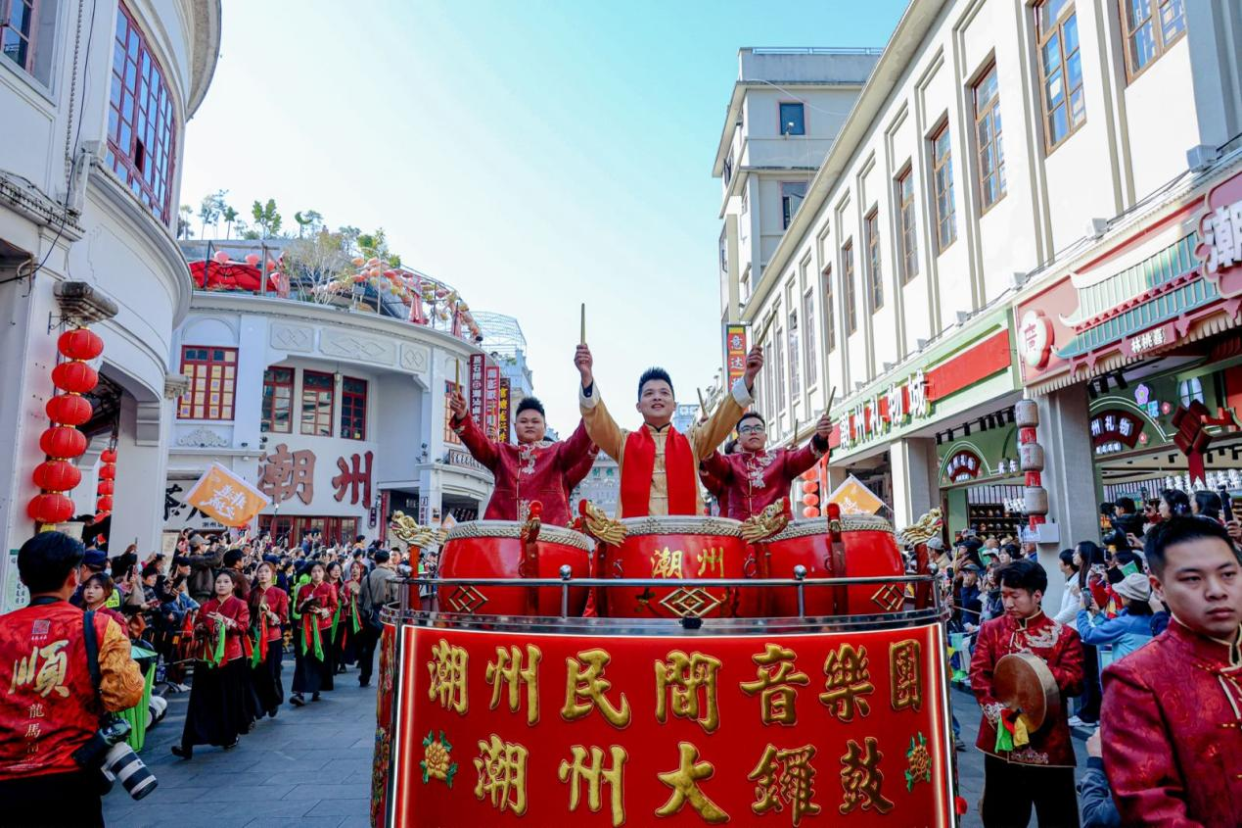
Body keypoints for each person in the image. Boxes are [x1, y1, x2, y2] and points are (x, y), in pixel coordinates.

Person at [1101, 516, 1242, 826]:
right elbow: (1151, 808)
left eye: (1228, 574)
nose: (1216, 590)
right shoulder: (1136, 678)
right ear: (1158, 588)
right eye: (1192, 579)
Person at [0, 533, 145, 827]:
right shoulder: (98, 626)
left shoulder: (4, 630)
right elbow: (125, 694)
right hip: (71, 772)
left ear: (24, 578)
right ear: (73, 576)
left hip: (6, 776)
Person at [573, 342, 762, 517]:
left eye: (664, 393)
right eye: (649, 393)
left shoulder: (693, 441)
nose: (657, 397)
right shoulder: (622, 441)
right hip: (636, 542)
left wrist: (749, 377)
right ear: (638, 406)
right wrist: (587, 377)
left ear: (674, 405)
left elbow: (722, 418)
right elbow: (598, 422)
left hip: (684, 541)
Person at [970, 559, 1084, 828]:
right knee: (1001, 816)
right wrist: (1003, 717)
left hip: (1049, 744)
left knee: (1058, 817)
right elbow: (979, 676)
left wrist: (1041, 669)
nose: (1008, 603)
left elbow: (1076, 682)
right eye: (1004, 595)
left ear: (1037, 595)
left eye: (1015, 595)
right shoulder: (992, 629)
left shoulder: (1063, 635)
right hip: (1003, 740)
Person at [448, 393, 595, 526]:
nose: (529, 425)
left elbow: (578, 444)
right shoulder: (502, 453)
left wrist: (589, 402)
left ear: (545, 426)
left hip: (550, 539)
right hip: (503, 538)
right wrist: (462, 416)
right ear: (515, 426)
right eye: (523, 421)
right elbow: (479, 443)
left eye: (535, 421)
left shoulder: (558, 453)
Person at [172, 570, 251, 760]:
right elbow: (198, 630)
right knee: (199, 701)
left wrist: (226, 621)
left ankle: (228, 735)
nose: (221, 585)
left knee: (227, 699)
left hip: (230, 658)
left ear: (234, 585)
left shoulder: (240, 605)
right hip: (205, 658)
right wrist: (198, 628)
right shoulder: (206, 606)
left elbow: (243, 628)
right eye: (218, 582)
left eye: (226, 582)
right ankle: (188, 744)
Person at [699, 409, 831, 521]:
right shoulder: (731, 462)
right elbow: (715, 463)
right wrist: (707, 437)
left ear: (765, 436)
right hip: (741, 536)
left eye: (758, 428)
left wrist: (820, 437)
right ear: (739, 438)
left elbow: (804, 456)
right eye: (746, 429)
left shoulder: (782, 457)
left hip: (780, 535)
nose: (753, 432)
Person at [1077, 571, 1155, 667]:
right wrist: (1098, 616)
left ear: (1129, 599)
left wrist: (1081, 612)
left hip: (1126, 677)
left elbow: (1088, 635)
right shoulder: (1154, 620)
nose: (1119, 595)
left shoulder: (1125, 624)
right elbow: (1114, 627)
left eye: (1122, 593)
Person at [290, 562, 338, 706]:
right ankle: (300, 692)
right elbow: (297, 609)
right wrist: (303, 604)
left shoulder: (329, 588)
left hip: (323, 628)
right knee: (302, 658)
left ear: (324, 573)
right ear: (309, 573)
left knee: (319, 657)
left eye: (319, 571)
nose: (316, 574)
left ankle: (316, 687)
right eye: (313, 571)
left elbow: (334, 606)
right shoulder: (303, 589)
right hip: (304, 628)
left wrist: (322, 611)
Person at [248, 561, 288, 719]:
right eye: (260, 571)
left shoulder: (280, 593)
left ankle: (273, 701)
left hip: (273, 637)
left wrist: (270, 614)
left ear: (273, 574)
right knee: (256, 673)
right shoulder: (250, 594)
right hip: (254, 639)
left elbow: (284, 618)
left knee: (273, 673)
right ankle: (258, 706)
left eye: (266, 571)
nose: (263, 574)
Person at [356, 550, 398, 688]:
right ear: (387, 561)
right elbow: (396, 600)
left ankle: (364, 677)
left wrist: (363, 614)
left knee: (368, 648)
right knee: (388, 648)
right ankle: (387, 678)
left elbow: (360, 600)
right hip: (386, 617)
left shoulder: (367, 577)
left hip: (369, 617)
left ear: (375, 561)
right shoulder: (392, 576)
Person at [184, 535, 223, 604]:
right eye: (204, 544)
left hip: (202, 594)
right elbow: (215, 560)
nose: (205, 546)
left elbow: (215, 562)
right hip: (199, 595)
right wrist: (221, 547)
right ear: (200, 546)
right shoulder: (195, 559)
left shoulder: (197, 558)